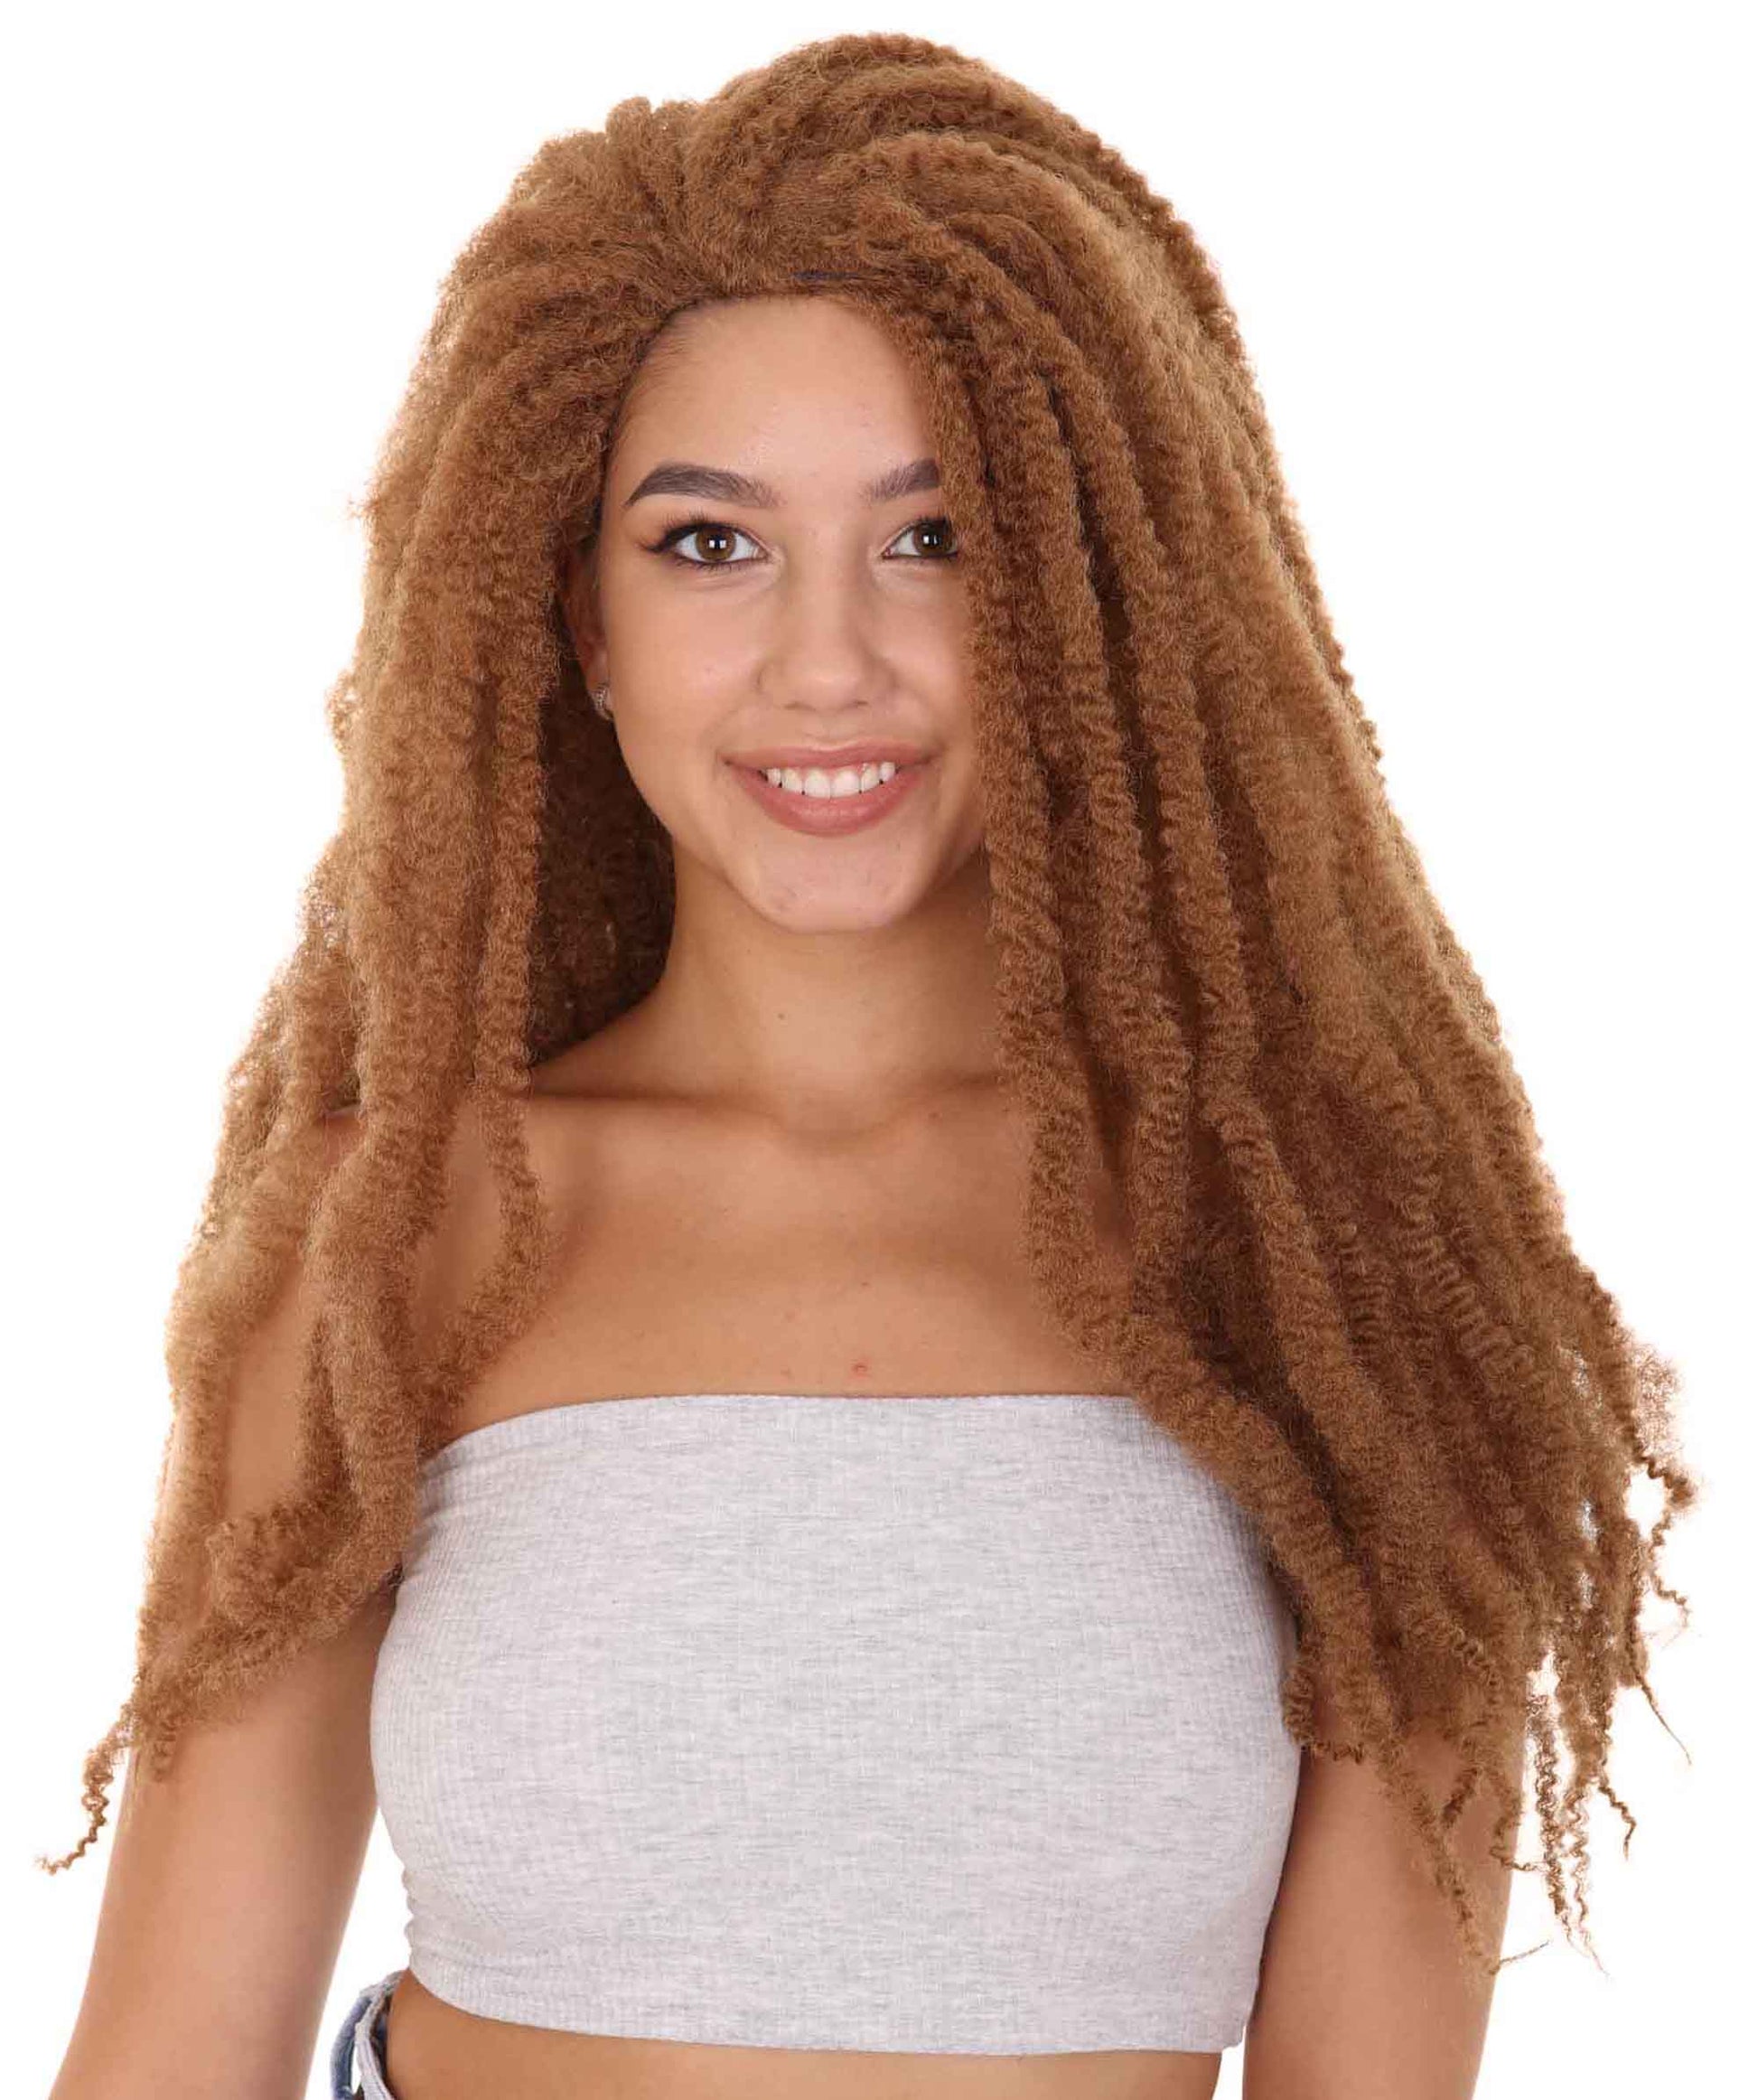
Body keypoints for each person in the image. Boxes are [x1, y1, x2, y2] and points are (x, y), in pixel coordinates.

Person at [42, 30, 1698, 2100]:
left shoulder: (1310, 1264)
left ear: (1085, 607)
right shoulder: (397, 1235)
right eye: (708, 544)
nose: (826, 661)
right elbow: (170, 2053)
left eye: (937, 538)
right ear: (580, 622)